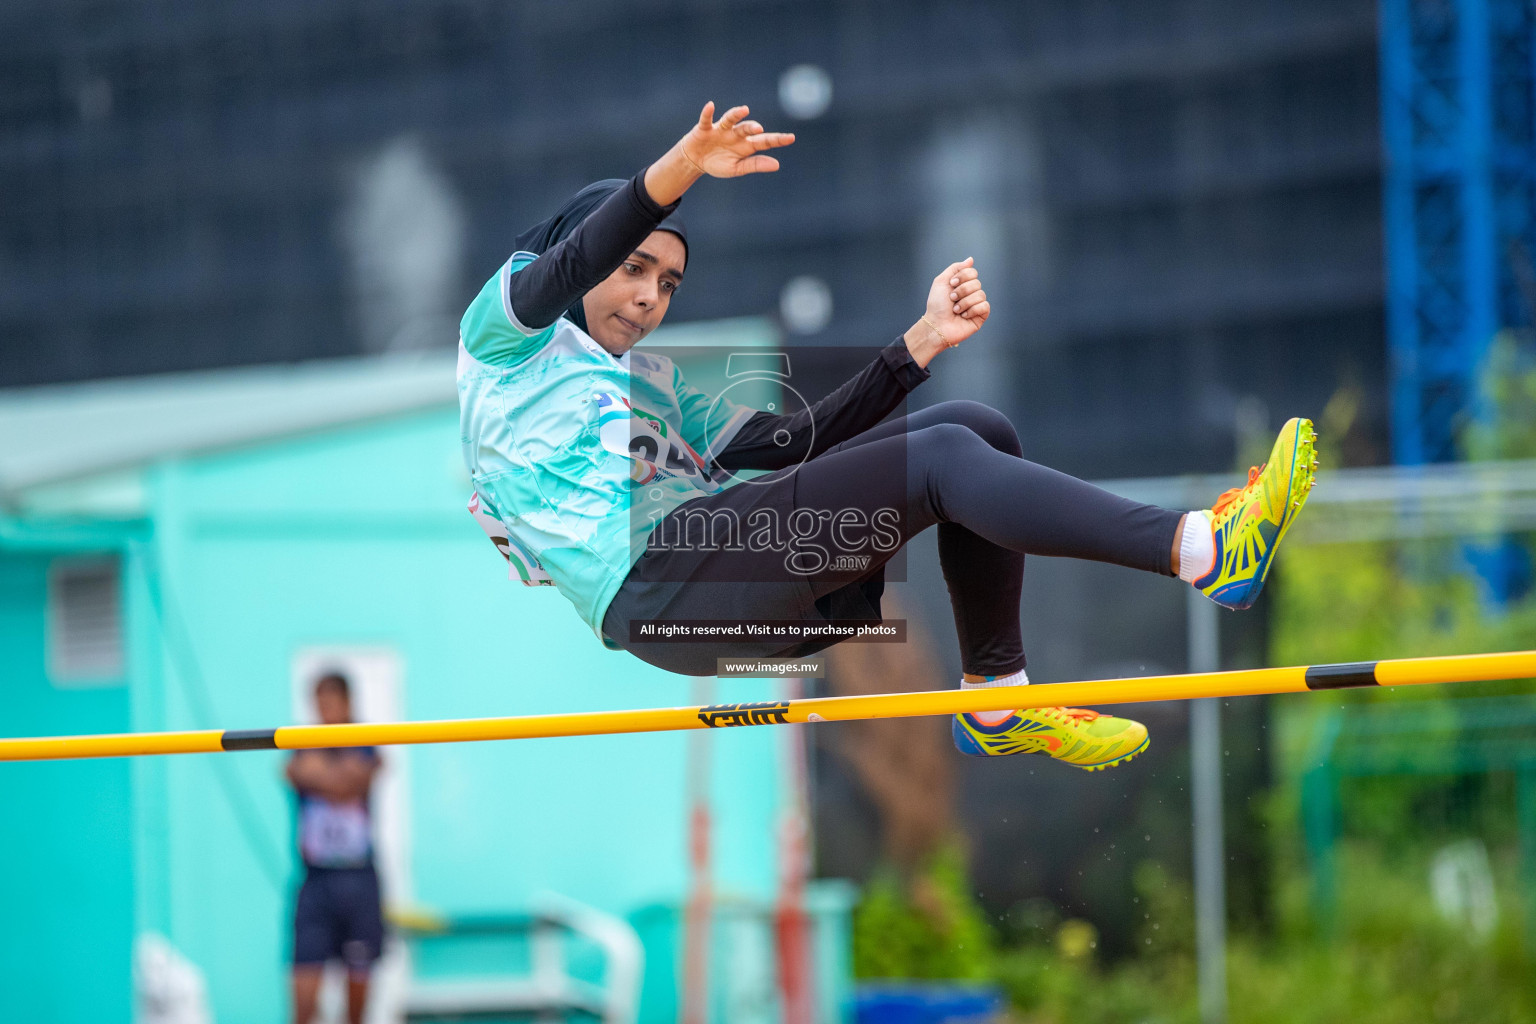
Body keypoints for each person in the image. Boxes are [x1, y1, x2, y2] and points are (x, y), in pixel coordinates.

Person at [458, 101, 1318, 772]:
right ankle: (1204, 551)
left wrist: (920, 345)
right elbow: (572, 264)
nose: (650, 298)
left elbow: (793, 443)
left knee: (975, 427)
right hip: (665, 588)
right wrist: (681, 169)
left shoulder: (646, 385)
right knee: (944, 460)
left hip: (710, 578)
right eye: (635, 268)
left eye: (670, 283)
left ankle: (996, 701)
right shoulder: (503, 342)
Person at [285, 672, 384, 1024]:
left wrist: (320, 777)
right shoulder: (302, 742)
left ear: (347, 702)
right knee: (303, 1000)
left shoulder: (365, 740)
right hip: (316, 881)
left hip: (358, 880)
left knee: (357, 1004)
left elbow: (353, 783)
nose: (324, 710)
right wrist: (340, 777)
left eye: (330, 702)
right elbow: (298, 773)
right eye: (318, 702)